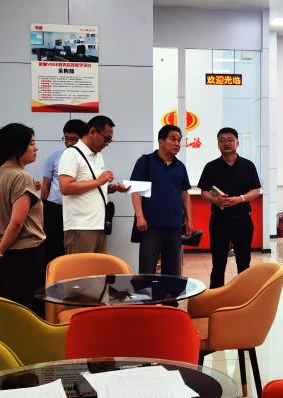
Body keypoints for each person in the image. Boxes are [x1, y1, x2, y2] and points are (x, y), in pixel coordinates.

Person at [0, 124, 45, 316]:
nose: (36, 148)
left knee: (6, 309)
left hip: (4, 253)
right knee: (27, 311)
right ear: (17, 148)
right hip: (24, 254)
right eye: (31, 143)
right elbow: (17, 221)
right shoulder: (21, 176)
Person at [197, 127, 262, 288]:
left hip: (242, 220)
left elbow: (256, 191)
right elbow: (204, 193)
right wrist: (216, 201)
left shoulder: (248, 165)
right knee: (218, 263)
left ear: (237, 143)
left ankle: (243, 294)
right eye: (222, 140)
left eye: (230, 140)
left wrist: (240, 199)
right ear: (218, 144)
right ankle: (215, 295)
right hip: (219, 221)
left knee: (244, 263)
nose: (226, 143)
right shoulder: (210, 167)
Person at [57, 115, 128, 254]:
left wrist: (110, 187)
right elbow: (65, 187)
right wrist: (98, 181)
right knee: (80, 268)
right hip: (81, 227)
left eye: (110, 140)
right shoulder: (71, 154)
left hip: (100, 225)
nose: (107, 143)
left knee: (98, 268)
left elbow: (92, 186)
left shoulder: (98, 155)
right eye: (106, 138)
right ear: (92, 131)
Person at [131, 124, 193, 275]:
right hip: (150, 225)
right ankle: (147, 291)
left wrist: (189, 220)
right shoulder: (146, 161)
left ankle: (170, 292)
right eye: (173, 139)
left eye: (179, 140)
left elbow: (184, 193)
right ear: (161, 141)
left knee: (172, 271)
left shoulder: (180, 166)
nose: (177, 143)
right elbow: (136, 190)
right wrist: (140, 216)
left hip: (174, 226)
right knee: (147, 269)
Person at [39, 119, 86, 268]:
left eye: (74, 139)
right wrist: (43, 207)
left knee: (74, 248)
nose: (69, 143)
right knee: (53, 246)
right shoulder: (55, 156)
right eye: (66, 138)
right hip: (54, 209)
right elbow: (46, 184)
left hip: (77, 210)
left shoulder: (88, 159)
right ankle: (52, 276)